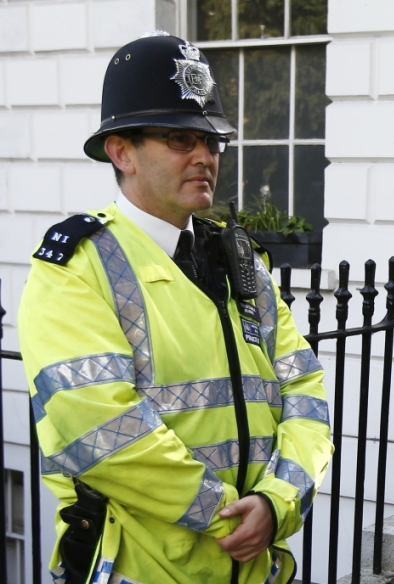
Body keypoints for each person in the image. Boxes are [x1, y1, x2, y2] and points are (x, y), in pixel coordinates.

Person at [18, 32, 333, 584]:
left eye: (211, 143)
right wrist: (229, 516)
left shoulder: (242, 261)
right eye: (178, 139)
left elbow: (305, 393)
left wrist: (277, 503)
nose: (204, 157)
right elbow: (99, 429)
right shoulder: (76, 267)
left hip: (257, 567)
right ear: (122, 152)